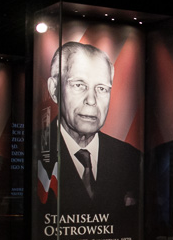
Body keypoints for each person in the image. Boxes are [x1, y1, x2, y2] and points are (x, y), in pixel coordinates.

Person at [44, 41, 140, 214]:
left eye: (102, 89)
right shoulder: (35, 150)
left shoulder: (131, 158)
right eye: (79, 85)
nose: (91, 100)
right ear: (54, 89)